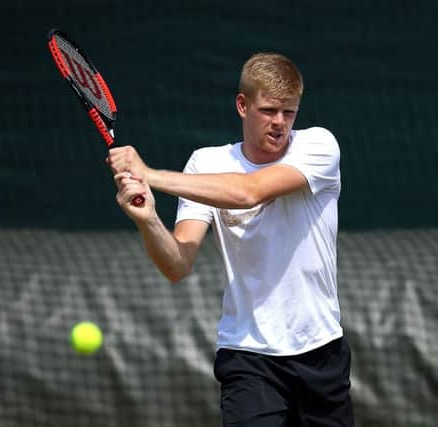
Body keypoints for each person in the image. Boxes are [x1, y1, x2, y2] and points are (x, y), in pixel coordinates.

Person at [107, 52, 354, 427]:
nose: (279, 123)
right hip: (248, 358)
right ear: (242, 105)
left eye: (289, 113)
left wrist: (150, 174)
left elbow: (248, 192)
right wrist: (148, 220)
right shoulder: (205, 164)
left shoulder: (318, 146)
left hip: (321, 354)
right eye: (269, 110)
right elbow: (176, 264)